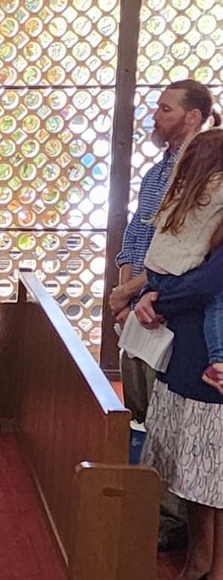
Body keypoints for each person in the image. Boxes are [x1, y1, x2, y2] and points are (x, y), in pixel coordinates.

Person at [108, 80, 217, 420]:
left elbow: (183, 246)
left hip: (162, 304)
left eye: (165, 109)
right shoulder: (157, 172)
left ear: (193, 116)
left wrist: (134, 290)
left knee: (160, 409)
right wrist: (123, 294)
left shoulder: (204, 176)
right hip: (137, 302)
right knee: (137, 409)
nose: (155, 116)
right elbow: (137, 232)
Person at [134, 214, 223, 580]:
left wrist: (158, 299)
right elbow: (172, 265)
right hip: (187, 352)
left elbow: (209, 281)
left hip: (215, 369)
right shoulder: (201, 217)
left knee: (216, 478)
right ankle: (197, 564)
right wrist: (150, 292)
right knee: (191, 474)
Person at [140, 129, 223, 393]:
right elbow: (204, 286)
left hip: (157, 272)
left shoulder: (181, 187)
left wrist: (154, 299)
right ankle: (219, 362)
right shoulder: (215, 190)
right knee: (217, 300)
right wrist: (154, 301)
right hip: (188, 356)